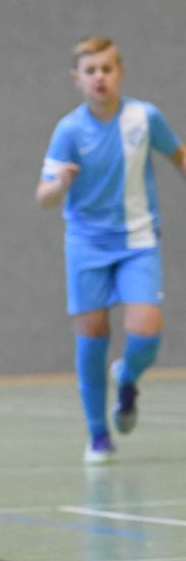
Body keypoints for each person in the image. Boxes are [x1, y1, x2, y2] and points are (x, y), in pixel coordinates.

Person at [36, 36, 183, 464]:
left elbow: (179, 155)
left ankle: (128, 375)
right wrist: (60, 184)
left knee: (146, 331)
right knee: (93, 335)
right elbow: (43, 197)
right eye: (90, 71)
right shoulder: (68, 130)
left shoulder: (144, 117)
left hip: (138, 241)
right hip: (86, 245)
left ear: (120, 72)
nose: (99, 78)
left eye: (106, 69)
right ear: (77, 79)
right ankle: (98, 434)